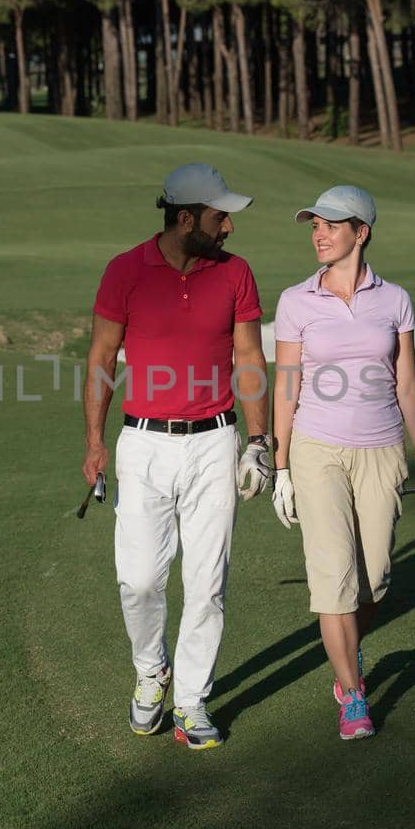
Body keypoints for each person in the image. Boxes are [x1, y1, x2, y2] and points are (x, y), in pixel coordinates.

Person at [83, 163, 272, 750]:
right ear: (185, 217)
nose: (229, 230)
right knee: (139, 581)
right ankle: (150, 673)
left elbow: (248, 357)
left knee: (206, 583)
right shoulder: (124, 271)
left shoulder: (236, 273)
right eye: (221, 218)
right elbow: (102, 357)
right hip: (142, 443)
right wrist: (94, 442)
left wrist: (260, 441)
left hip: (215, 442)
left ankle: (191, 700)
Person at [269, 184, 415, 740]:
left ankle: (349, 645)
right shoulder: (296, 301)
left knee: (374, 579)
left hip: (382, 448)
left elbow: (408, 384)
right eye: (314, 225)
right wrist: (280, 467)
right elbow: (286, 388)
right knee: (334, 580)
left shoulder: (394, 299)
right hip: (316, 449)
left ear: (361, 232)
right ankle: (352, 694)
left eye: (330, 224)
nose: (318, 233)